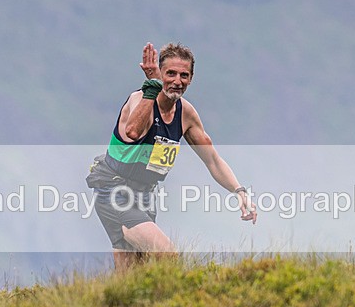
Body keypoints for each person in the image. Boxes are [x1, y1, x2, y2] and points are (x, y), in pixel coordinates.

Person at [86, 42, 257, 271]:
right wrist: (152, 88)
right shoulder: (140, 99)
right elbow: (134, 131)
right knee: (166, 254)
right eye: (171, 74)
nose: (177, 81)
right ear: (160, 74)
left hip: (145, 196)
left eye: (184, 75)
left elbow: (212, 160)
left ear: (191, 79)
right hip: (115, 190)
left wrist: (239, 190)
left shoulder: (186, 114)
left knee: (132, 280)